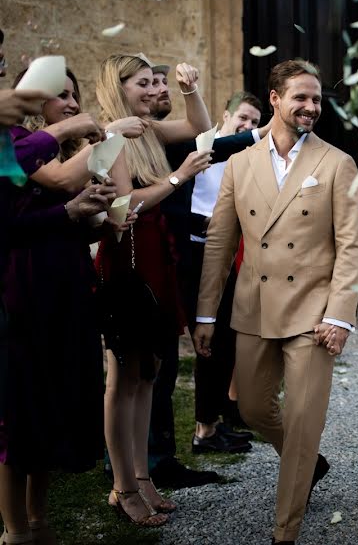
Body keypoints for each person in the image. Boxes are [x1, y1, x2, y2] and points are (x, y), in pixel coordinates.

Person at [193, 59, 358, 544]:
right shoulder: (240, 162)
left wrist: (340, 315)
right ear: (275, 98)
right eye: (301, 98)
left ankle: (284, 531)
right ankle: (308, 461)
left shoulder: (336, 162)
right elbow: (220, 242)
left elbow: (353, 247)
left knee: (303, 420)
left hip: (314, 314)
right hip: (254, 306)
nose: (311, 107)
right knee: (250, 407)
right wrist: (207, 312)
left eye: (316, 99)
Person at [1, 68, 132, 545]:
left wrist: (99, 218)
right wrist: (111, 137)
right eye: (62, 96)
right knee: (21, 413)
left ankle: (40, 520)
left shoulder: (51, 149)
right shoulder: (16, 143)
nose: (73, 104)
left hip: (66, 285)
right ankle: (15, 531)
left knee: (51, 404)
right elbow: (49, 194)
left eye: (75, 96)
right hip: (27, 288)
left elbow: (67, 218)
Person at [98, 53, 213, 527]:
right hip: (128, 260)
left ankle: (144, 476)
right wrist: (179, 176)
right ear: (119, 87)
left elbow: (200, 129)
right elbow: (126, 203)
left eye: (154, 82)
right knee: (121, 380)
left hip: (155, 258)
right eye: (142, 84)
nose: (151, 91)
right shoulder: (111, 136)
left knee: (149, 373)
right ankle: (122, 486)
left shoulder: (147, 130)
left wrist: (189, 88)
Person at [161, 90, 266, 458]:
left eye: (255, 122)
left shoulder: (248, 161)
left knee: (227, 341)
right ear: (225, 115)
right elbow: (176, 204)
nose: (248, 126)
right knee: (207, 341)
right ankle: (204, 429)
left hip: (226, 255)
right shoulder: (204, 148)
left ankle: (213, 422)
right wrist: (205, 223)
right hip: (193, 255)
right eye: (244, 119)